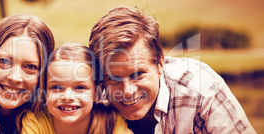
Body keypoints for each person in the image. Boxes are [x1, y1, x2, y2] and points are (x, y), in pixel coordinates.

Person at [88, 7, 256, 133]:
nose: (127, 91)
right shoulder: (92, 102)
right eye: (114, 78)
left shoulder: (202, 89)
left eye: (138, 74)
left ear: (160, 62)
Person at [20, 43, 132, 134]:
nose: (68, 97)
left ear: (97, 92)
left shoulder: (111, 121)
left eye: (80, 87)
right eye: (57, 87)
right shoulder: (35, 122)